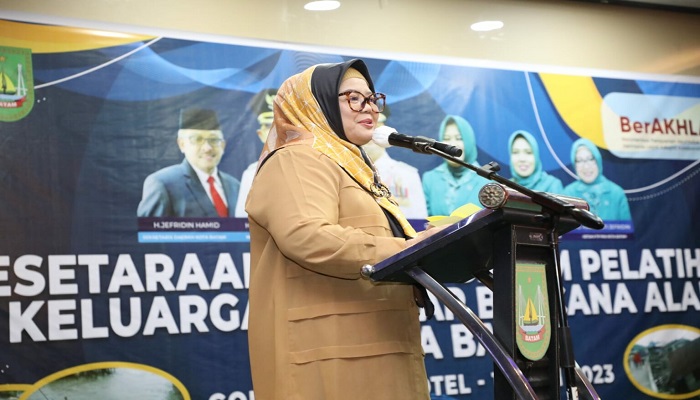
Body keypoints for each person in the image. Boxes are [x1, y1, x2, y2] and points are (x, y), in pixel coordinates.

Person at [245, 59, 440, 399]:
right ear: (315, 104)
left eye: (372, 98)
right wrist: (410, 249)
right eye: (354, 98)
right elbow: (308, 237)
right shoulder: (297, 159)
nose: (371, 108)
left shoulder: (352, 166)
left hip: (378, 340)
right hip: (331, 354)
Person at [137, 108, 240, 217]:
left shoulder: (235, 186)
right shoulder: (163, 184)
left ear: (223, 145)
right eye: (197, 139)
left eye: (214, 140)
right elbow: (150, 228)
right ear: (182, 144)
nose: (207, 148)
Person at [361, 106, 428, 220]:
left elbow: (419, 222)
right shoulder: (344, 172)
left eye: (377, 128)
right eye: (366, 127)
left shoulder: (407, 174)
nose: (372, 134)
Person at [422, 115, 489, 216]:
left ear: (469, 141)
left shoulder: (488, 181)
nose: (452, 144)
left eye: (459, 138)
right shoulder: (430, 179)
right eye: (446, 138)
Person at [563, 138, 631, 221]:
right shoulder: (568, 193)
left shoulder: (616, 193)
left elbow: (627, 227)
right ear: (574, 164)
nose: (586, 166)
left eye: (590, 159)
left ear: (598, 160)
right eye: (579, 161)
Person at [234, 88, 277, 218]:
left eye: (280, 124)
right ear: (260, 134)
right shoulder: (251, 174)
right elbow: (242, 222)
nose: (275, 132)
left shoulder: (309, 166)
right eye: (269, 126)